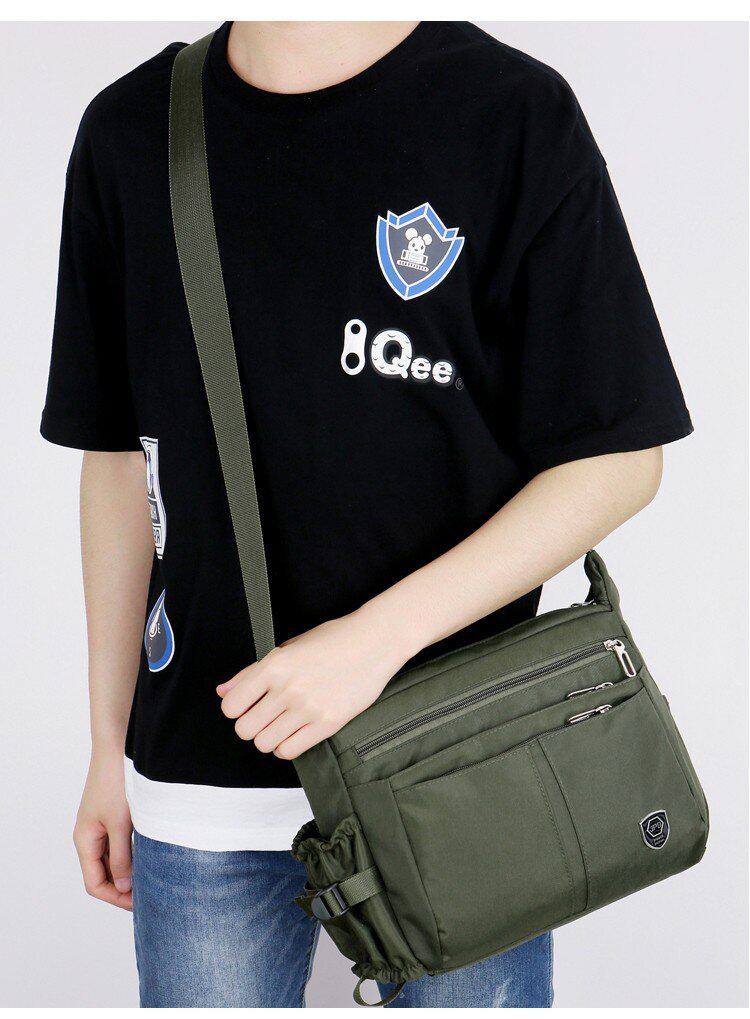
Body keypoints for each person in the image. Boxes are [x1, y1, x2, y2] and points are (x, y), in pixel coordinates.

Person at [41, 21, 693, 1008]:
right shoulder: (133, 129)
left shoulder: (510, 113)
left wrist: (373, 643)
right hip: (201, 782)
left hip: (461, 768)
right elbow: (119, 459)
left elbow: (617, 456)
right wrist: (104, 745)